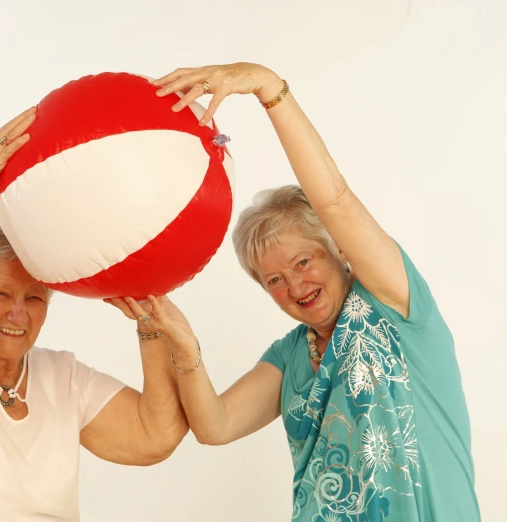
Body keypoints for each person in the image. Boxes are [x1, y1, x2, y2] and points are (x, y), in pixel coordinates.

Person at [123, 62, 479, 521]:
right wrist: (184, 344)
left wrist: (266, 86)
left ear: (339, 251)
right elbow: (215, 425)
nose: (294, 285)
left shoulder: (395, 304)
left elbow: (334, 200)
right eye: (274, 280)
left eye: (303, 262)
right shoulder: (290, 355)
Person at [0, 107, 188, 522]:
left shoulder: (62, 376)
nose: (18, 312)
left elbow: (156, 434)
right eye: (1, 293)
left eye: (34, 298)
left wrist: (149, 322)